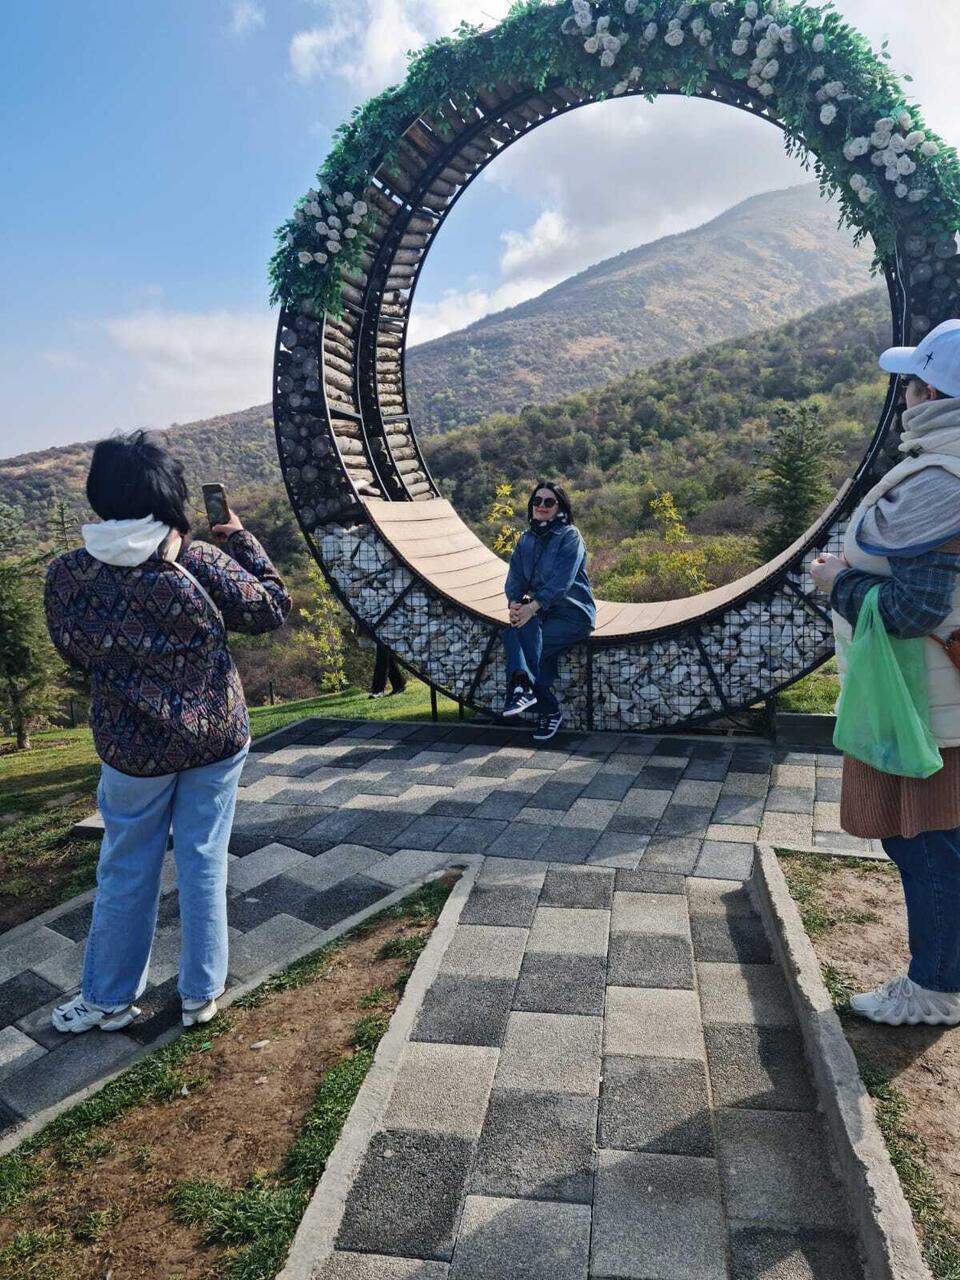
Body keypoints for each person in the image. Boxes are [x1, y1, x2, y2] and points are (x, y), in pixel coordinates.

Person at [43, 431, 291, 1034]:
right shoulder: (196, 560)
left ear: (100, 495)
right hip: (214, 737)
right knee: (204, 858)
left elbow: (74, 652)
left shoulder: (68, 575)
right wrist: (240, 539)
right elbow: (270, 608)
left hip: (131, 750)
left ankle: (107, 1000)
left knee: (126, 866)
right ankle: (199, 995)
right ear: (169, 494)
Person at [811, 318, 960, 1026]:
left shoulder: (943, 479)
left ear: (932, 393)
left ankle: (936, 987)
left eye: (911, 383)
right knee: (935, 841)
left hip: (926, 701)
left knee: (925, 842)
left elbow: (912, 607)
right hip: (930, 696)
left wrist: (837, 581)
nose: (904, 396)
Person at [501, 481, 596, 742]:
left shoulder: (570, 536)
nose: (541, 505)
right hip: (542, 613)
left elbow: (561, 582)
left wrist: (531, 607)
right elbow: (515, 576)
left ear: (559, 507)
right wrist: (515, 604)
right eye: (537, 501)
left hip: (573, 614)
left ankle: (538, 701)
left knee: (529, 642)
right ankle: (527, 694)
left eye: (549, 502)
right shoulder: (526, 539)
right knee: (514, 630)